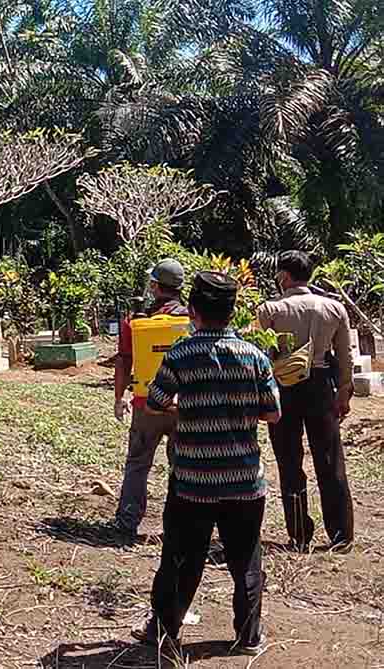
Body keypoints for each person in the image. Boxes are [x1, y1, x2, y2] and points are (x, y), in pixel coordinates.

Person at [134, 271, 280, 656]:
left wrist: (186, 406)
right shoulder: (254, 356)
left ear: (193, 310)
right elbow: (273, 413)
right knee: (246, 558)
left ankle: (165, 632)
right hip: (245, 480)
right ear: (232, 312)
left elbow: (154, 401)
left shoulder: (180, 354)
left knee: (181, 558)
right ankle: (248, 636)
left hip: (193, 480)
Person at [257, 250, 355, 551]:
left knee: (289, 461)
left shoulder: (269, 309)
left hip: (284, 387)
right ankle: (341, 535)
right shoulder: (334, 308)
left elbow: (262, 356)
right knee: (330, 460)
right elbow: (345, 356)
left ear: (284, 276)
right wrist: (343, 391)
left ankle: (299, 534)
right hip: (321, 385)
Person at [112, 259, 189, 538]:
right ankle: (180, 524)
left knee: (138, 463)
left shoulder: (136, 320)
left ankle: (127, 522)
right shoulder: (193, 320)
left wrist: (119, 397)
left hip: (146, 404)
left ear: (155, 286)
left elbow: (123, 361)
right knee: (181, 466)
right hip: (183, 405)